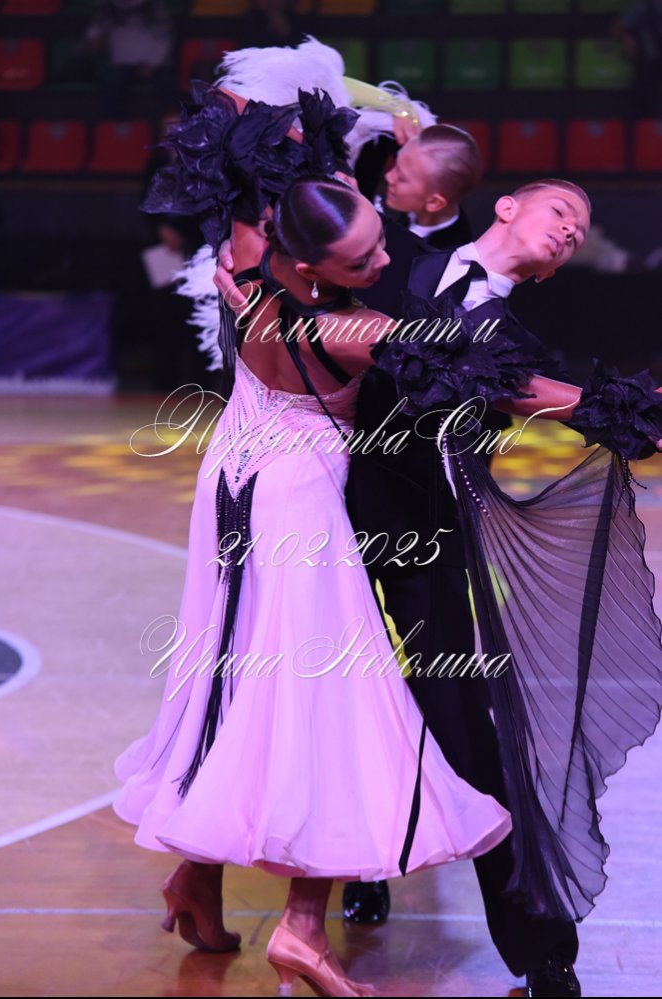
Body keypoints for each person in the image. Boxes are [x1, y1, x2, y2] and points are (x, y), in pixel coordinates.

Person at [114, 91, 528, 998]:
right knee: (326, 704)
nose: (381, 262)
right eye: (365, 256)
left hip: (229, 485)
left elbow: (238, 137)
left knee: (233, 674)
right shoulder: (356, 330)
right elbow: (500, 382)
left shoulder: (245, 264)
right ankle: (301, 930)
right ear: (310, 264)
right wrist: (609, 406)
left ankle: (195, 879)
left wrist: (313, 128)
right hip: (297, 507)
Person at [216, 176, 662, 997]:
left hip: (425, 539)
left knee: (466, 728)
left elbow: (522, 392)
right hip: (312, 512)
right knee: (287, 698)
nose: (571, 229)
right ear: (508, 206)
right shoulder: (393, 258)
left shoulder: (520, 345)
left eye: (581, 231)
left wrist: (621, 408)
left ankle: (541, 951)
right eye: (562, 210)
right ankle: (317, 876)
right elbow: (288, 238)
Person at [381, 124, 481, 250]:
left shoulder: (439, 256)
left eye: (401, 178)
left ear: (433, 202)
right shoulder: (414, 204)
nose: (388, 176)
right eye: (396, 165)